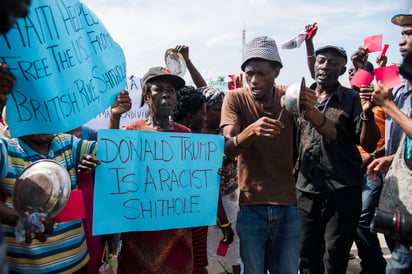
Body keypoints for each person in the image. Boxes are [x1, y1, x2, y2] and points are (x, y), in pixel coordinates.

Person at [221, 36, 315, 274]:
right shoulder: (235, 98)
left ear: (276, 71)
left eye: (261, 73)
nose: (253, 80)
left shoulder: (290, 97)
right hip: (251, 206)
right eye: (249, 73)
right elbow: (227, 147)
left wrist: (311, 105)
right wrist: (249, 132)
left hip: (287, 204)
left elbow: (326, 131)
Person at [296, 44, 380, 274]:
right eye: (321, 61)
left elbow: (369, 144)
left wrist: (368, 113)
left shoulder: (352, 99)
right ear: (314, 65)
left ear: (343, 70)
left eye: (334, 63)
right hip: (306, 191)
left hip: (343, 192)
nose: (325, 66)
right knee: (305, 256)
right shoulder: (300, 98)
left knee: (335, 257)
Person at [110, 66, 194, 274]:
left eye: (171, 90)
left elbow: (193, 180)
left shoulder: (186, 135)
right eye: (159, 89)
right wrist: (115, 118)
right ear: (147, 96)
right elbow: (114, 167)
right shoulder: (132, 132)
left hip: (178, 238)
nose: (166, 93)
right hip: (142, 237)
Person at [0, 132, 99, 273]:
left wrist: (93, 159)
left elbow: (109, 150)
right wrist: (15, 218)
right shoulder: (5, 150)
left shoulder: (66, 143)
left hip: (78, 263)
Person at [369, 10, 412, 273]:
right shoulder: (403, 86)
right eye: (402, 34)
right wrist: (393, 158)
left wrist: (389, 106)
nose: (402, 41)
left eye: (409, 34)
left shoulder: (395, 96)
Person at [348, 48, 387, 274]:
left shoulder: (384, 105)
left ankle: (376, 266)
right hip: (355, 169)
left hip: (376, 168)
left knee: (363, 219)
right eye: (351, 72)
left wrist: (371, 156)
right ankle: (370, 264)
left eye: (358, 73)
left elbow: (394, 140)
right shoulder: (353, 102)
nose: (353, 77)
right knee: (357, 219)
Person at [201, 86, 240, 274]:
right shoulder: (195, 139)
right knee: (209, 252)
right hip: (208, 203)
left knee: (235, 249)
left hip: (230, 198)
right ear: (205, 111)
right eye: (217, 109)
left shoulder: (223, 133)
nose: (222, 113)